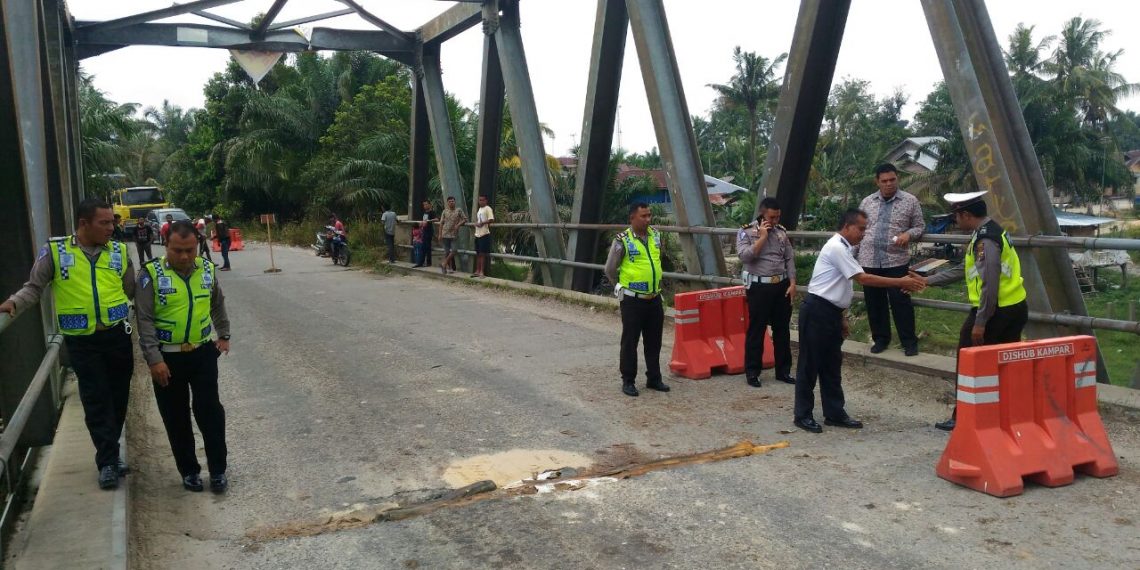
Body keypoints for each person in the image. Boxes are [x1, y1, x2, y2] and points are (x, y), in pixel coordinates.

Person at [0, 198, 136, 490]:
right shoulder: (56, 251)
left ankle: (110, 451)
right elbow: (33, 288)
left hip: (117, 335)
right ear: (84, 223)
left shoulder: (119, 252)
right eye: (105, 223)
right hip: (83, 341)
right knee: (96, 399)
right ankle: (108, 461)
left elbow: (131, 290)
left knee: (118, 398)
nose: (111, 228)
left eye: (112, 222)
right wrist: (12, 303)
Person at [794, 208, 924, 433]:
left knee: (832, 365)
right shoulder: (836, 247)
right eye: (861, 229)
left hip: (830, 312)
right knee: (810, 364)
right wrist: (899, 282)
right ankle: (802, 414)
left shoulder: (846, 248)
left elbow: (841, 285)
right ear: (847, 227)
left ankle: (834, 413)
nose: (863, 233)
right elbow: (862, 278)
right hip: (817, 311)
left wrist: (842, 317)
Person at [911, 191, 1028, 431]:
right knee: (1004, 364)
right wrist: (928, 281)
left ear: (965, 214)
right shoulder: (990, 232)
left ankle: (963, 416)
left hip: (994, 312)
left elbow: (990, 284)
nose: (955, 221)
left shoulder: (985, 241)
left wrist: (981, 321)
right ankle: (1003, 414)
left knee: (968, 362)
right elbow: (963, 271)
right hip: (1014, 307)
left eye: (956, 216)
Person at [135, 221, 232, 493]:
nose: (185, 256)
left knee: (211, 412)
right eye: (177, 250)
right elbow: (144, 320)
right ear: (165, 244)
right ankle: (189, 471)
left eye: (190, 250)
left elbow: (217, 302)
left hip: (202, 354)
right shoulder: (150, 275)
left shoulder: (207, 270)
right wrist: (154, 359)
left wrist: (223, 334)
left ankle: (218, 471)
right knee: (176, 417)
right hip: (168, 359)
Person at [856, 163, 925, 356]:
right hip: (868, 260)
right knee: (874, 303)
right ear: (877, 182)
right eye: (884, 181)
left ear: (898, 178)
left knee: (900, 302)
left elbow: (920, 226)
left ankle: (909, 342)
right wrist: (851, 255)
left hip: (896, 261)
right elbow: (858, 229)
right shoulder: (867, 202)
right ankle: (881, 339)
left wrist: (908, 234)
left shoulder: (910, 201)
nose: (888, 184)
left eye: (892, 179)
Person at [605, 202, 670, 397]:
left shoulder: (656, 235)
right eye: (643, 216)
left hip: (654, 298)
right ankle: (628, 380)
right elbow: (610, 269)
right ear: (632, 218)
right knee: (630, 341)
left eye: (649, 215)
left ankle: (654, 378)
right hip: (633, 300)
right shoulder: (622, 240)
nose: (648, 219)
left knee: (654, 340)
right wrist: (618, 286)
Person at [736, 197, 797, 387]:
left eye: (778, 217)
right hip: (759, 287)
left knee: (782, 330)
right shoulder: (746, 231)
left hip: (781, 285)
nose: (776, 221)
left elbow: (789, 258)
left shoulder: (781, 232)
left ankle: (784, 371)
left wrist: (793, 282)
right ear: (763, 214)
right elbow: (744, 256)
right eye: (772, 217)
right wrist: (762, 237)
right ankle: (753, 372)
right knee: (757, 329)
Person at [438, 196, 467, 274]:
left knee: (454, 250)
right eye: (450, 201)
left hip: (454, 234)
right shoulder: (444, 211)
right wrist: (439, 234)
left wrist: (458, 225)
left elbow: (465, 219)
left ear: (455, 202)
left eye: (453, 201)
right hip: (445, 234)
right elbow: (441, 223)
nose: (451, 202)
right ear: (447, 203)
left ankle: (443, 264)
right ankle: (448, 268)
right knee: (447, 252)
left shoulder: (459, 210)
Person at [472, 195, 494, 278]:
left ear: (486, 201)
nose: (480, 201)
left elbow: (491, 219)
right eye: (479, 200)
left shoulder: (488, 208)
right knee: (478, 253)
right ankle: (477, 270)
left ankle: (482, 271)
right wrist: (477, 223)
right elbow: (479, 220)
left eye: (482, 200)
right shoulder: (480, 209)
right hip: (477, 233)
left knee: (482, 254)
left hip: (484, 234)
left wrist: (482, 223)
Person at [414, 200, 436, 268]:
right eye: (424, 205)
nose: (425, 206)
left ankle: (428, 262)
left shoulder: (432, 212)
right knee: (423, 247)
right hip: (424, 231)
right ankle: (421, 262)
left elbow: (437, 219)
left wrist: (429, 221)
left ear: (430, 205)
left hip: (429, 231)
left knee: (428, 247)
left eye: (426, 204)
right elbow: (423, 221)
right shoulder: (424, 213)